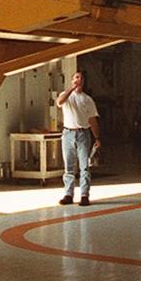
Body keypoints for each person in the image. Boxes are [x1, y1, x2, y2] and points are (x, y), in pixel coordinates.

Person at [55, 70, 101, 206]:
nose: (78, 79)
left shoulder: (87, 100)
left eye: (81, 78)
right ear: (72, 80)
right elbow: (59, 102)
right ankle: (68, 194)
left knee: (84, 166)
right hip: (68, 133)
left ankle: (84, 195)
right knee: (68, 166)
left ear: (84, 81)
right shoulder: (66, 95)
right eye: (76, 77)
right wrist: (72, 89)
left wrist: (97, 137)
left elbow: (92, 120)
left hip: (83, 134)